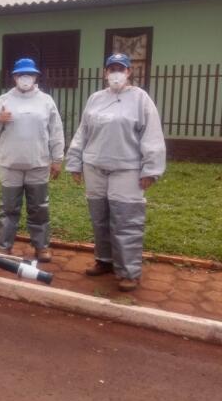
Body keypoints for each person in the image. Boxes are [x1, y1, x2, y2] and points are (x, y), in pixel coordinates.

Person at [65, 53, 166, 292]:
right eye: (112, 69)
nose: (116, 73)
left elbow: (152, 135)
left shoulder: (140, 99)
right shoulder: (96, 99)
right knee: (99, 218)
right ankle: (104, 261)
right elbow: (83, 132)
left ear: (129, 72)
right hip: (95, 166)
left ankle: (129, 272)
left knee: (126, 220)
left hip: (127, 169)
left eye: (121, 69)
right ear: (105, 72)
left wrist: (150, 169)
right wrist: (75, 162)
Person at [0, 58, 65, 262]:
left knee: (39, 207)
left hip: (38, 162)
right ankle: (4, 245)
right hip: (10, 163)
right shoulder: (4, 100)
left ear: (36, 76)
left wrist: (57, 158)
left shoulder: (46, 101)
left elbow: (56, 131)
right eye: (21, 74)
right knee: (9, 207)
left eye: (29, 74)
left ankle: (41, 246)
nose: (25, 78)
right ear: (14, 77)